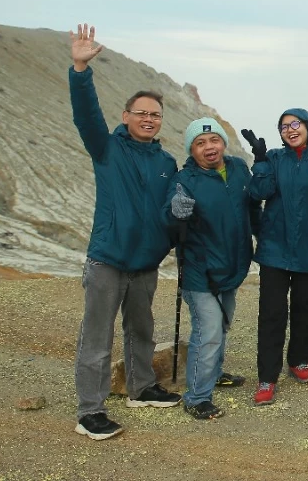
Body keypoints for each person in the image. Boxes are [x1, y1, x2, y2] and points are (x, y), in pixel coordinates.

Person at [68, 24, 181, 440]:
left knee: (142, 331)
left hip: (145, 262)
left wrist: (178, 223)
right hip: (108, 260)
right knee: (97, 337)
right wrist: (81, 68)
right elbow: (85, 114)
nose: (149, 119)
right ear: (126, 117)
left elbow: (171, 210)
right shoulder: (107, 147)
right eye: (142, 113)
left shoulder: (167, 161)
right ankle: (89, 411)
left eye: (155, 115)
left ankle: (141, 387)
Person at [243, 109, 308, 405]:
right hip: (275, 248)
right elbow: (260, 191)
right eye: (284, 126)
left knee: (306, 308)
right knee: (272, 314)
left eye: (295, 124)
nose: (290, 130)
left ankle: (298, 361)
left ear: (307, 126)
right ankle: (267, 377)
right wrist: (260, 161)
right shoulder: (274, 158)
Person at [165, 118, 257, 420]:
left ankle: (214, 373)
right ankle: (197, 396)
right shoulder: (185, 179)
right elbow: (169, 212)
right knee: (209, 331)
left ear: (223, 142)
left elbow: (253, 206)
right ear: (192, 150)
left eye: (213, 140)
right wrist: (174, 210)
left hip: (231, 266)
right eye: (200, 144)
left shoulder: (239, 169)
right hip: (200, 272)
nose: (209, 148)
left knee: (223, 324)